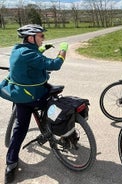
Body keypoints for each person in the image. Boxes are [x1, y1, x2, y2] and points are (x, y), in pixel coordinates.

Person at [2, 24, 68, 183]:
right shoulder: (31, 54)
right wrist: (63, 51)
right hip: (35, 96)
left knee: (20, 128)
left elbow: (30, 56)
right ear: (31, 38)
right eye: (41, 36)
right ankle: (59, 132)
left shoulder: (17, 50)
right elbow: (55, 65)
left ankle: (11, 164)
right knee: (55, 108)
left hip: (20, 97)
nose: (43, 38)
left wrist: (42, 48)